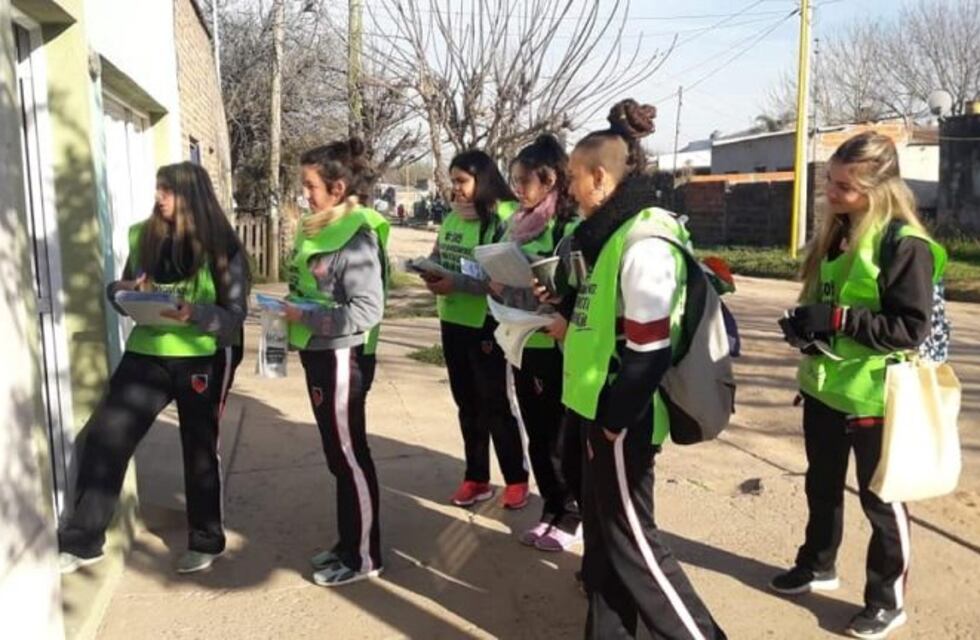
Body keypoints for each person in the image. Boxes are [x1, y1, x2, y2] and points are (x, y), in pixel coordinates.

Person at [559, 100, 726, 639]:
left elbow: (648, 352)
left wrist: (612, 423)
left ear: (601, 178)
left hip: (620, 419)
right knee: (606, 547)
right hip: (598, 409)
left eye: (573, 179)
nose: (570, 190)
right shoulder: (612, 234)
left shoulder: (645, 242)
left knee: (635, 546)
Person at [771, 131, 947, 640]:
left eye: (845, 186)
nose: (832, 192)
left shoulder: (905, 244)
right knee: (821, 486)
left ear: (876, 187)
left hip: (878, 396)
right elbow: (825, 299)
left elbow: (909, 329)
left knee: (883, 502)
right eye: (830, 180)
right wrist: (808, 327)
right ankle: (818, 564)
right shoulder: (837, 233)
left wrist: (841, 319)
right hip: (825, 387)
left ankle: (886, 601)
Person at [58, 162, 249, 575]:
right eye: (158, 188)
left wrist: (192, 312)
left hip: (204, 354)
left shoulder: (223, 246)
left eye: (167, 190)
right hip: (147, 351)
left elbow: (234, 317)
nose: (159, 197)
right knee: (106, 435)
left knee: (199, 448)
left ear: (191, 196)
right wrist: (120, 292)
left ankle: (205, 539)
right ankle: (83, 539)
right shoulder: (144, 236)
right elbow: (128, 288)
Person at [283, 138, 388, 587]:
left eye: (310, 185)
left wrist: (304, 314)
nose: (304, 193)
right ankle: (349, 544)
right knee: (337, 457)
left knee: (350, 457)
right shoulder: (316, 228)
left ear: (338, 187)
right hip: (318, 354)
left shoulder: (356, 238)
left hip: (343, 357)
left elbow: (367, 310)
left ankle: (364, 556)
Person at [425, 150, 529, 509]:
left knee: (494, 403)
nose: (456, 190)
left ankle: (516, 478)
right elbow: (439, 254)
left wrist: (453, 281)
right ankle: (476, 478)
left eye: (462, 181)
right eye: (452, 182)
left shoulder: (504, 218)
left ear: (482, 180)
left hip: (487, 323)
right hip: (452, 320)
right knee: (466, 404)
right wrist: (430, 270)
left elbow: (499, 278)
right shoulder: (453, 218)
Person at [491, 134, 581, 551]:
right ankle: (550, 509)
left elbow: (580, 292)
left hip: (556, 349)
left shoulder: (569, 228)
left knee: (560, 438)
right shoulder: (516, 225)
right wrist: (498, 283)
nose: (517, 189)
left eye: (524, 180)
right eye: (514, 179)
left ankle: (571, 515)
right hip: (522, 343)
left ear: (550, 181)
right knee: (537, 436)